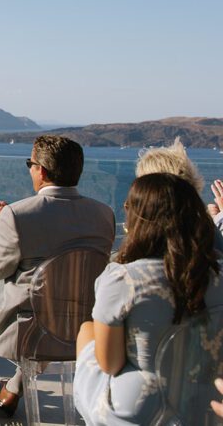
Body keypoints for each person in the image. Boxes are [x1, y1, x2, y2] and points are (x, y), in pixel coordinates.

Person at [0, 134, 116, 417]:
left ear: (42, 171)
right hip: (83, 333)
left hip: (25, 335)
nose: (30, 170)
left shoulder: (18, 215)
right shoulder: (103, 215)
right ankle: (13, 387)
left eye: (30, 164)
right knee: (54, 306)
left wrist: (0, 225)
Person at [74, 173, 223, 425]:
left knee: (87, 331)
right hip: (204, 405)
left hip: (140, 409)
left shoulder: (123, 279)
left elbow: (110, 364)